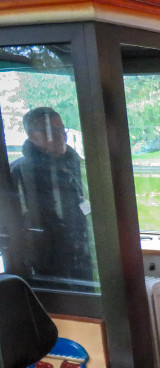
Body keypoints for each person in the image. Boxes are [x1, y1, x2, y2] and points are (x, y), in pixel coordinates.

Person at [10, 107, 93, 282]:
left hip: (84, 259)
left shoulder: (78, 167)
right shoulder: (19, 173)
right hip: (44, 268)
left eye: (62, 129)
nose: (61, 136)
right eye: (51, 131)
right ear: (31, 135)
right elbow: (13, 228)